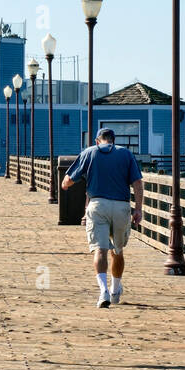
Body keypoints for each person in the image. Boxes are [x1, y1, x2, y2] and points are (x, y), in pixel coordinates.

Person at [61, 127, 144, 308]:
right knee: (118, 251)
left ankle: (103, 291)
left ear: (98, 141)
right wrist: (138, 209)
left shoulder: (89, 153)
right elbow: (137, 182)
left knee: (100, 250)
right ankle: (115, 290)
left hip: (97, 205)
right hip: (121, 206)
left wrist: (65, 184)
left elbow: (68, 181)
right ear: (113, 140)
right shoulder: (126, 154)